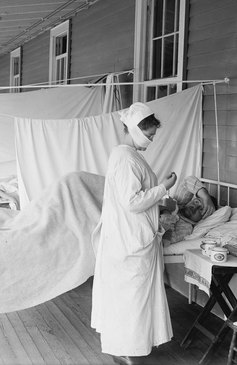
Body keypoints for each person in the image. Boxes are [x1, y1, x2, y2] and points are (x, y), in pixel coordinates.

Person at [91, 102, 177, 365]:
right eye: (149, 136)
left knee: (132, 295)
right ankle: (126, 349)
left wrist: (160, 203)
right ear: (136, 130)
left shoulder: (128, 155)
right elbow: (131, 201)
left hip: (129, 235)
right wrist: (164, 187)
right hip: (129, 240)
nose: (151, 141)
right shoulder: (126, 158)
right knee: (132, 296)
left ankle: (129, 346)